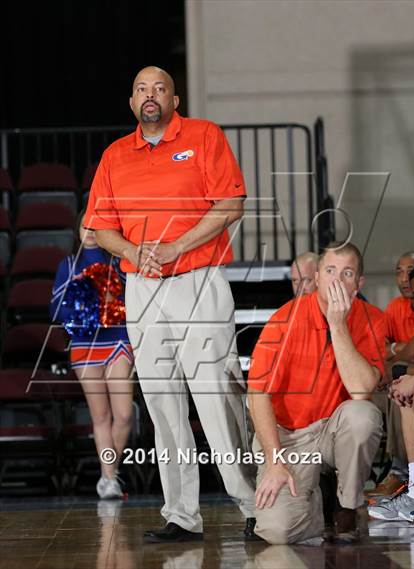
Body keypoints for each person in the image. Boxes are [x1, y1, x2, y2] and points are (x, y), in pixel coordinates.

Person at [84, 66, 256, 542]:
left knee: (217, 396)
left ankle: (253, 504)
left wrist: (178, 245)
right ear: (132, 102)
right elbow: (100, 226)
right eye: (141, 89)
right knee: (161, 401)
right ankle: (181, 513)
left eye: (160, 88)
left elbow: (231, 204)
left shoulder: (204, 136)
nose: (150, 95)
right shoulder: (115, 155)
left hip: (198, 280)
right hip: (143, 286)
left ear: (174, 100)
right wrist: (130, 251)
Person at [247, 241, 386, 544]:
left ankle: (346, 508)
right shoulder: (285, 318)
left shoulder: (374, 318)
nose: (337, 279)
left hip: (335, 431)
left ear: (358, 283)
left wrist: (338, 326)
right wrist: (274, 462)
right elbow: (257, 393)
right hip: (290, 436)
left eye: (347, 273)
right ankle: (318, 501)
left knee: (364, 416)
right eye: (331, 271)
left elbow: (361, 391)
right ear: (318, 277)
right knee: (278, 531)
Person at [50, 211, 134, 499]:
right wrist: (81, 311)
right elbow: (55, 308)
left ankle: (110, 473)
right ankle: (108, 478)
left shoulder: (117, 262)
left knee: (123, 415)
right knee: (101, 416)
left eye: (95, 225)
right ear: (78, 229)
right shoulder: (68, 265)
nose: (89, 230)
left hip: (118, 339)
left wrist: (110, 304)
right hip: (85, 345)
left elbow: (131, 299)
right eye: (85, 225)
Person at [368, 264, 414, 522]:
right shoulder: (397, 307)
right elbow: (380, 347)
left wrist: (407, 373)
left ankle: (407, 478)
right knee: (404, 387)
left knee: (409, 383)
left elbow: (412, 353)